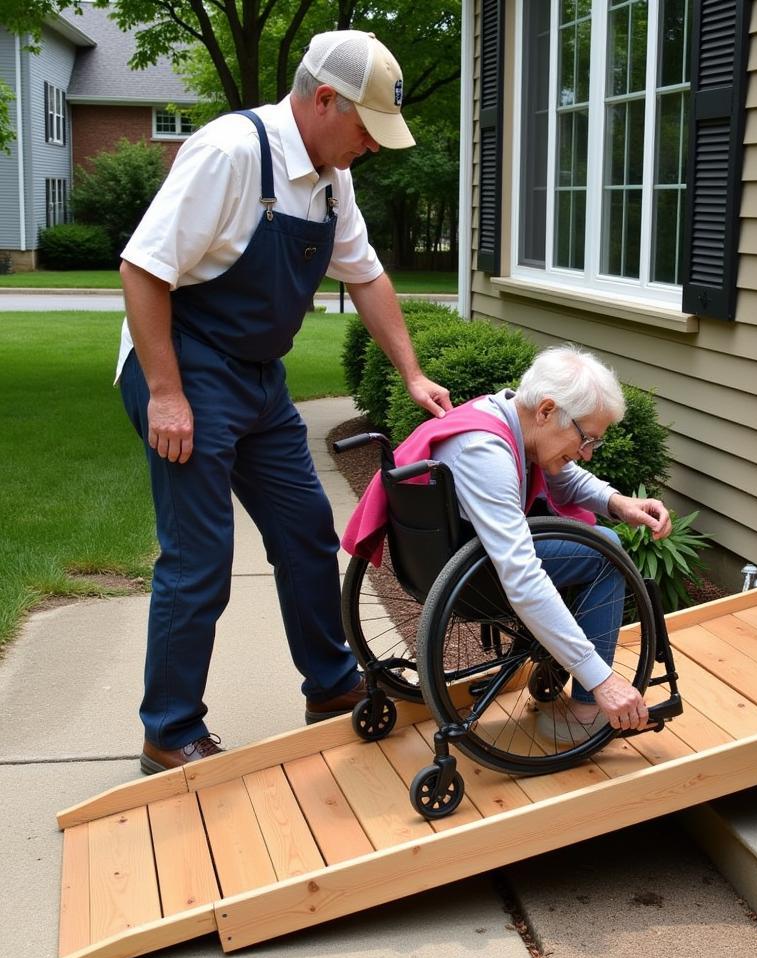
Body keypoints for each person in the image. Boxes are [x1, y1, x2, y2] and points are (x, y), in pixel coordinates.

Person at [117, 30, 452, 775]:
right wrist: (166, 394)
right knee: (200, 555)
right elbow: (142, 268)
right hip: (183, 365)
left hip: (257, 378)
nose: (371, 144)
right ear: (323, 98)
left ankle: (331, 685)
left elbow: (365, 275)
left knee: (305, 531)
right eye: (365, 128)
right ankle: (169, 730)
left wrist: (412, 373)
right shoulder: (231, 153)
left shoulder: (333, 176)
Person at [343, 345, 671, 736]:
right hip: (477, 581)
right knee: (605, 553)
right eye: (587, 439)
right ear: (547, 410)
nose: (586, 454)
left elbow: (559, 473)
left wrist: (617, 503)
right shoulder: (485, 454)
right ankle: (588, 711)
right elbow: (522, 577)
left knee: (597, 538)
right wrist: (602, 679)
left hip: (437, 564)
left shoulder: (500, 414)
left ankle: (566, 664)